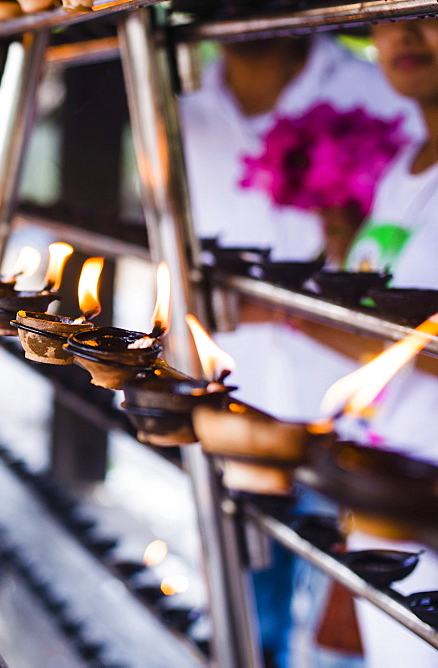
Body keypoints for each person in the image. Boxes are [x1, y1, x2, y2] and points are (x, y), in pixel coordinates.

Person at [179, 35, 422, 667]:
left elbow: (398, 335)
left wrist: (279, 310)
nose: (409, 36)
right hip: (258, 408)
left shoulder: (378, 92)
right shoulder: (181, 103)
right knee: (249, 610)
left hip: (366, 443)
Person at [340, 18, 438, 665]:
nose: (404, 35)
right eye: (387, 18)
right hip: (390, 486)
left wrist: (293, 318)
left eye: (428, 13)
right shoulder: (406, 163)